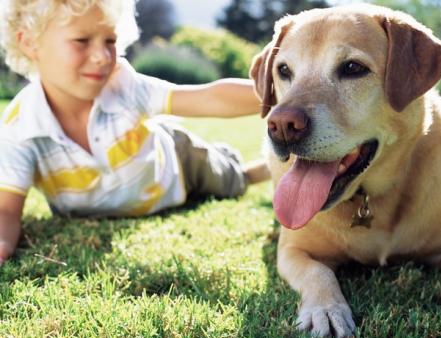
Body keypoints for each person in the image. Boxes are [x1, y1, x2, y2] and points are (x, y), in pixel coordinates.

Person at [0, 0, 270, 264]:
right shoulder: (20, 128)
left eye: (110, 41)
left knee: (230, 181)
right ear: (29, 43)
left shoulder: (124, 85)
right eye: (82, 40)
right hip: (131, 188)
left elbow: (209, 98)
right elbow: (6, 210)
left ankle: (254, 169)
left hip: (178, 163)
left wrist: (281, 94)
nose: (101, 56)